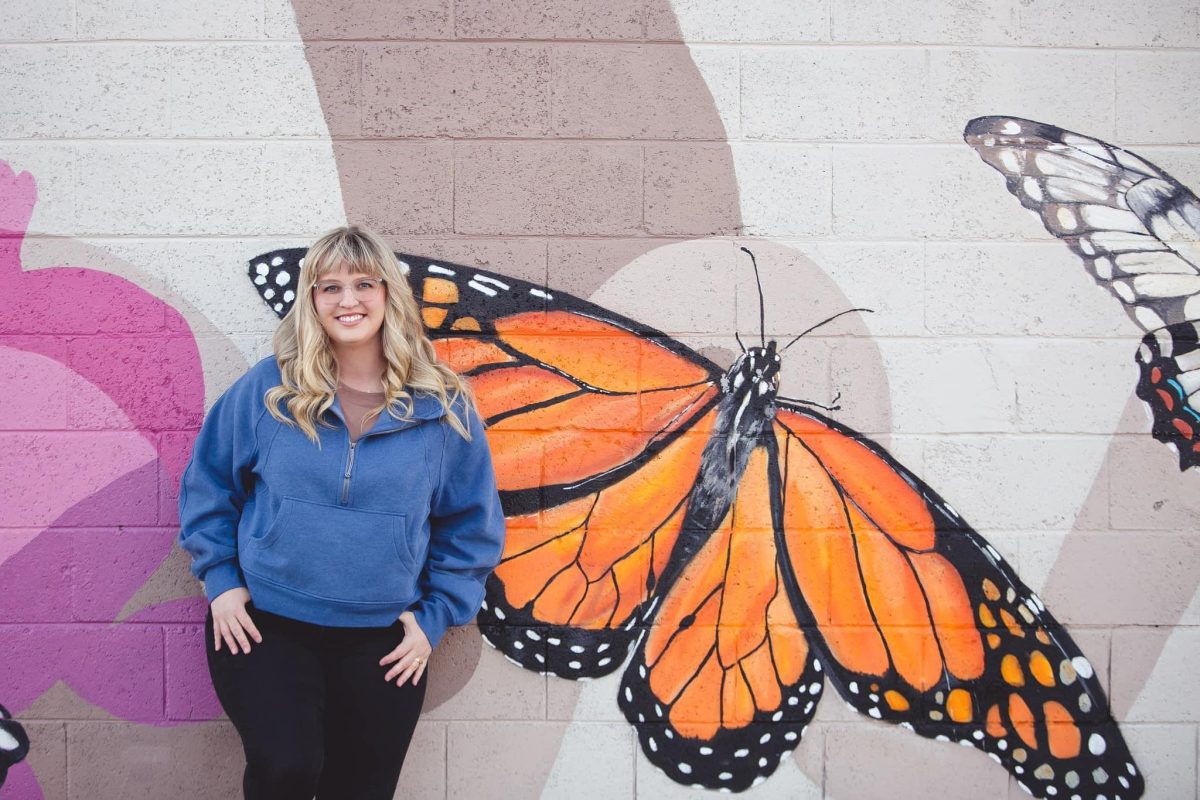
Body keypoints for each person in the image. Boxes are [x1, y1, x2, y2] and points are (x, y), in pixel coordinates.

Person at [178, 225, 506, 799]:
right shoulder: (269, 390)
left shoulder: (442, 407)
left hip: (382, 640)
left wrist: (434, 618)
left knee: (360, 790)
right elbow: (209, 485)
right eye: (329, 288)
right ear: (311, 301)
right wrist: (221, 581)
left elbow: (470, 525)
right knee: (286, 769)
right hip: (265, 627)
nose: (347, 300)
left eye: (362, 284)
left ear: (388, 295)